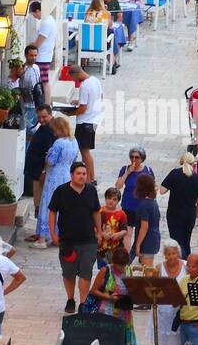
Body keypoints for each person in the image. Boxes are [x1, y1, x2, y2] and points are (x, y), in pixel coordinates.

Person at [48, 160, 103, 313]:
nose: (81, 176)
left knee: (86, 272)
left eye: (84, 174)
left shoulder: (91, 190)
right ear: (72, 175)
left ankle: (83, 302)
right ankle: (70, 299)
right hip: (67, 241)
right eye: (78, 173)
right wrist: (53, 233)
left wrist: (99, 232)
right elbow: (52, 211)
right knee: (69, 272)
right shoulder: (61, 191)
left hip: (88, 240)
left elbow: (96, 211)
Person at [34, 115, 79, 247]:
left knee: (49, 203)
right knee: (63, 205)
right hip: (67, 175)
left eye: (55, 130)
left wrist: (48, 155)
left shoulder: (59, 143)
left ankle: (43, 238)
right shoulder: (74, 141)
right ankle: (59, 235)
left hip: (54, 176)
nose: (54, 133)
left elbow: (51, 161)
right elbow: (75, 158)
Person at [88, 248, 135, 345]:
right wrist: (109, 297)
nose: (121, 268)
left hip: (123, 312)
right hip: (107, 312)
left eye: (123, 265)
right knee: (107, 343)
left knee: (121, 343)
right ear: (114, 262)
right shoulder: (105, 271)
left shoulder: (128, 270)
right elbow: (93, 290)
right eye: (119, 265)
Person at [160, 152, 198, 257]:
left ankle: (180, 264)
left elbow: (162, 190)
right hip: (189, 214)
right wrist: (197, 213)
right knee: (186, 241)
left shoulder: (174, 174)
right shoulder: (197, 178)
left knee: (176, 242)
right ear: (193, 164)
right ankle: (186, 263)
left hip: (174, 213)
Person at [69, 66, 103, 181]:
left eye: (73, 78)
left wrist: (70, 113)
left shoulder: (84, 86)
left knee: (85, 152)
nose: (74, 81)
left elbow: (82, 109)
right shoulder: (95, 80)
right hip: (93, 120)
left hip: (84, 122)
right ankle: (91, 177)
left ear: (75, 74)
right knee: (86, 151)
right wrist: (80, 102)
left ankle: (89, 179)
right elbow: (99, 97)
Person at [153, 241, 189, 345]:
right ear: (165, 255)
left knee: (178, 342)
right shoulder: (159, 268)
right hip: (163, 311)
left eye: (174, 253)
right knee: (163, 343)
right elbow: (154, 286)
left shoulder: (186, 266)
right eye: (168, 254)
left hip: (179, 310)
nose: (171, 256)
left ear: (178, 253)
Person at [113, 147, 153, 232]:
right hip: (128, 206)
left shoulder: (148, 171)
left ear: (142, 158)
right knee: (127, 232)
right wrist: (128, 173)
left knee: (140, 232)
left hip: (142, 207)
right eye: (131, 157)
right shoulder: (125, 169)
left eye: (136, 157)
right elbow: (118, 186)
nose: (133, 159)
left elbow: (153, 188)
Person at [28, 0, 58, 102]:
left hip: (42, 56)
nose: (34, 17)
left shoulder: (46, 23)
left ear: (37, 11)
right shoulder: (50, 19)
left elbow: (38, 43)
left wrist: (30, 45)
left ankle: (46, 103)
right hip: (46, 55)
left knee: (44, 81)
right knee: (43, 81)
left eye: (33, 14)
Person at [131, 173, 161, 269]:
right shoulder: (153, 202)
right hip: (154, 238)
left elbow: (144, 227)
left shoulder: (144, 205)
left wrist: (138, 244)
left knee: (147, 270)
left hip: (147, 241)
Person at [96, 186, 130, 268]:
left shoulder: (121, 214)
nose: (111, 201)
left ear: (118, 201)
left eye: (114, 199)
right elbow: (94, 227)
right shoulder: (99, 212)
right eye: (109, 198)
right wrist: (102, 233)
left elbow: (124, 230)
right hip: (101, 249)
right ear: (105, 199)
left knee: (114, 270)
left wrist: (118, 234)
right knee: (103, 271)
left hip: (116, 249)